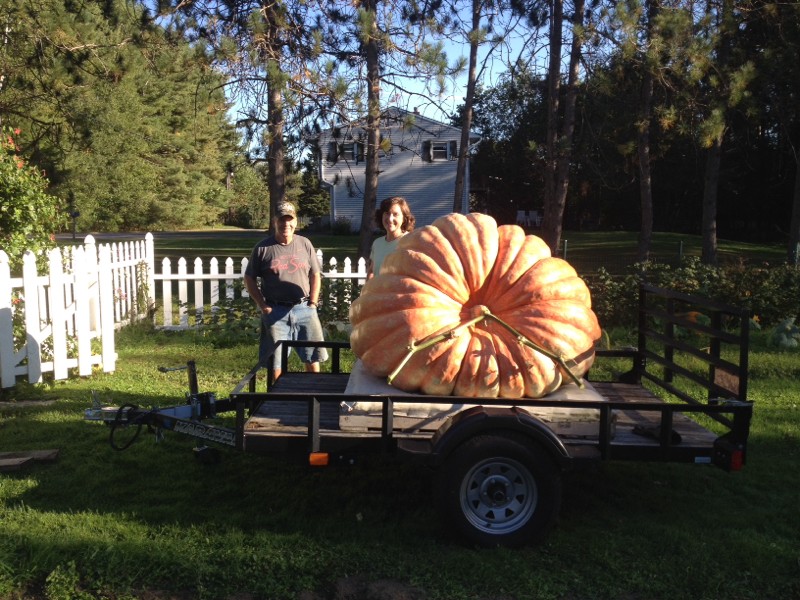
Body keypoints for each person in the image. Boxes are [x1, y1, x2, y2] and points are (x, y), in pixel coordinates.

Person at [244, 200, 328, 380]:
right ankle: (278, 394)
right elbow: (249, 278)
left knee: (312, 356)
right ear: (274, 221)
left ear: (296, 221)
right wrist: (263, 306)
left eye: (290, 219)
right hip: (275, 311)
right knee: (276, 361)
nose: (286, 224)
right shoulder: (263, 248)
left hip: (304, 308)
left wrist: (313, 303)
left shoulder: (305, 244)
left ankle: (314, 391)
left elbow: (315, 274)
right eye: (281, 219)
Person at [367, 196, 416, 279]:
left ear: (404, 218)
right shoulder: (377, 243)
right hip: (378, 287)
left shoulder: (411, 242)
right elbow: (372, 271)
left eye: (395, 214)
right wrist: (367, 287)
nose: (390, 219)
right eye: (387, 213)